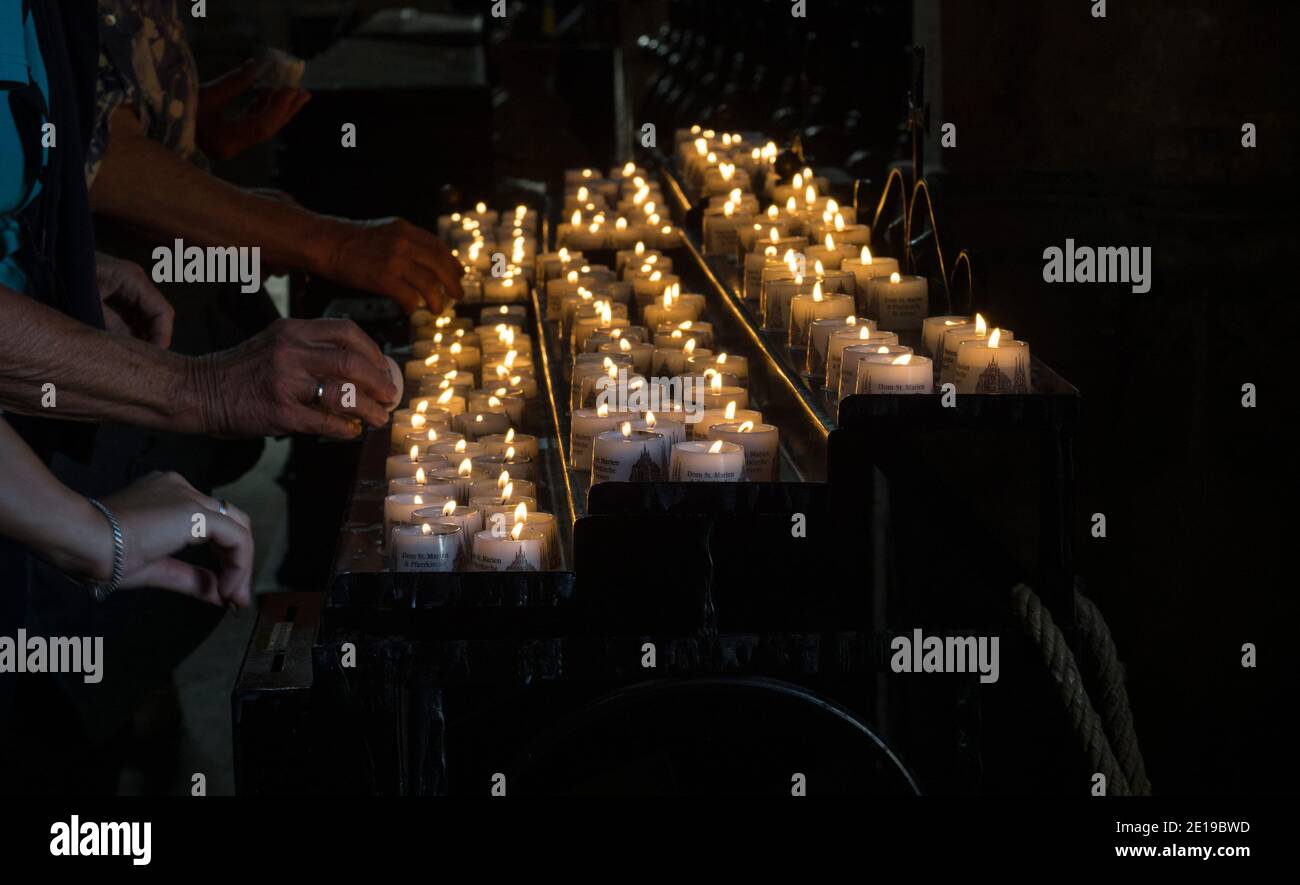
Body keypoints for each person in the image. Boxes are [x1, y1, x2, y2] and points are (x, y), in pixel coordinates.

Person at [89, 0, 465, 314]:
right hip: (124, 306)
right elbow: (98, 157)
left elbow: (104, 105)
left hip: (184, 275)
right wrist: (333, 244)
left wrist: (186, 124)